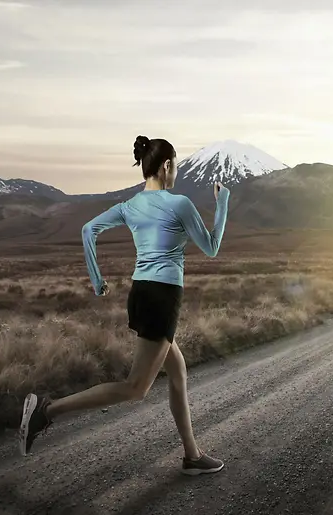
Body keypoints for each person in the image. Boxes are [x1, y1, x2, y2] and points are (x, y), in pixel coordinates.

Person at [18, 135, 230, 476]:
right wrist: (223, 204)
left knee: (177, 372)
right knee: (136, 388)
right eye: (175, 165)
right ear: (166, 166)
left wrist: (97, 280)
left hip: (141, 293)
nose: (176, 172)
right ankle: (47, 411)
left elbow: (89, 230)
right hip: (162, 298)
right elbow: (213, 246)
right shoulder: (180, 204)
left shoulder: (130, 206)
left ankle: (192, 455)